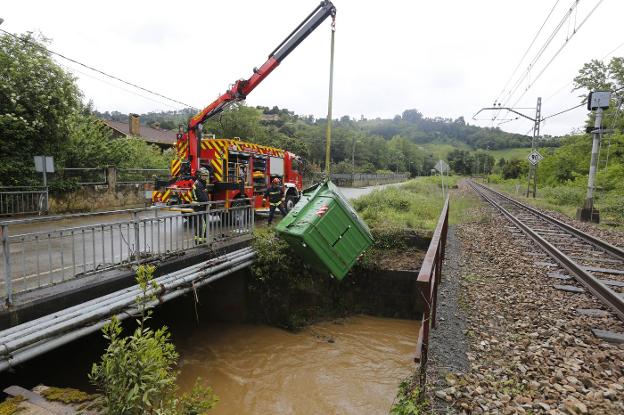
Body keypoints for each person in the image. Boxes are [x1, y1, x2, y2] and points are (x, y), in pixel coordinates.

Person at [191, 167, 211, 243]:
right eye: (203, 175)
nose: (205, 177)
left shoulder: (202, 183)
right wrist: (207, 202)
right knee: (202, 225)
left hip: (201, 206)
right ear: (199, 175)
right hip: (199, 207)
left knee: (200, 224)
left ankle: (201, 240)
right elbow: (201, 197)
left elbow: (204, 195)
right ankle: (200, 241)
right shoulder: (198, 184)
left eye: (206, 175)